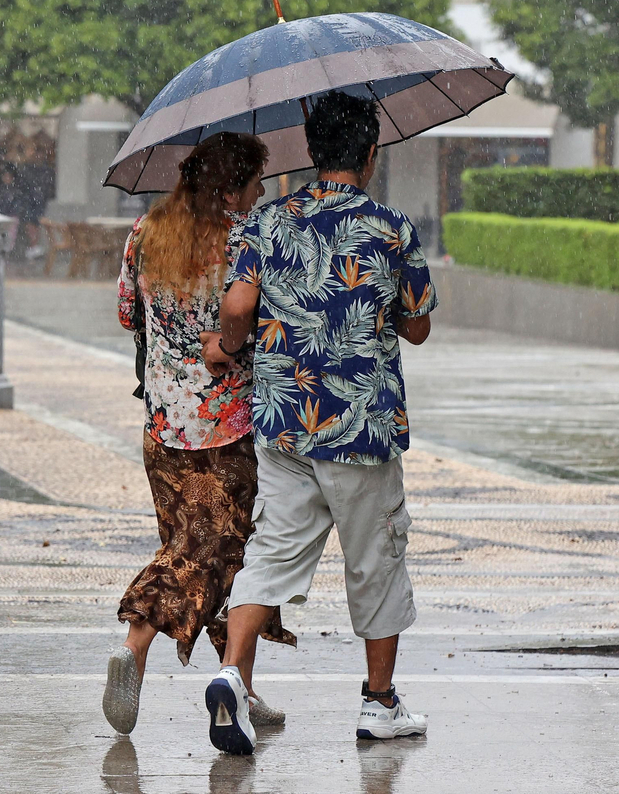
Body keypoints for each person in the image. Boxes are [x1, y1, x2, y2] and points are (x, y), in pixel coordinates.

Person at [201, 92, 437, 755]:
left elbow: (238, 308)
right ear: (369, 153)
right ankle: (379, 703)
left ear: (309, 151)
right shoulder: (391, 227)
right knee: (376, 562)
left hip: (284, 422)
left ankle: (233, 678)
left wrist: (237, 340)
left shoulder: (265, 222)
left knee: (271, 552)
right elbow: (417, 327)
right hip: (363, 428)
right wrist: (378, 307)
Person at [103, 131, 295, 736]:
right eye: (254, 181)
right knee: (220, 557)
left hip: (162, 428)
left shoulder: (143, 234)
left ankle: (235, 688)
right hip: (227, 433)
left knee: (203, 555)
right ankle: (136, 646)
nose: (260, 191)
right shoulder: (243, 241)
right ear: (229, 186)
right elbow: (252, 323)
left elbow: (128, 315)